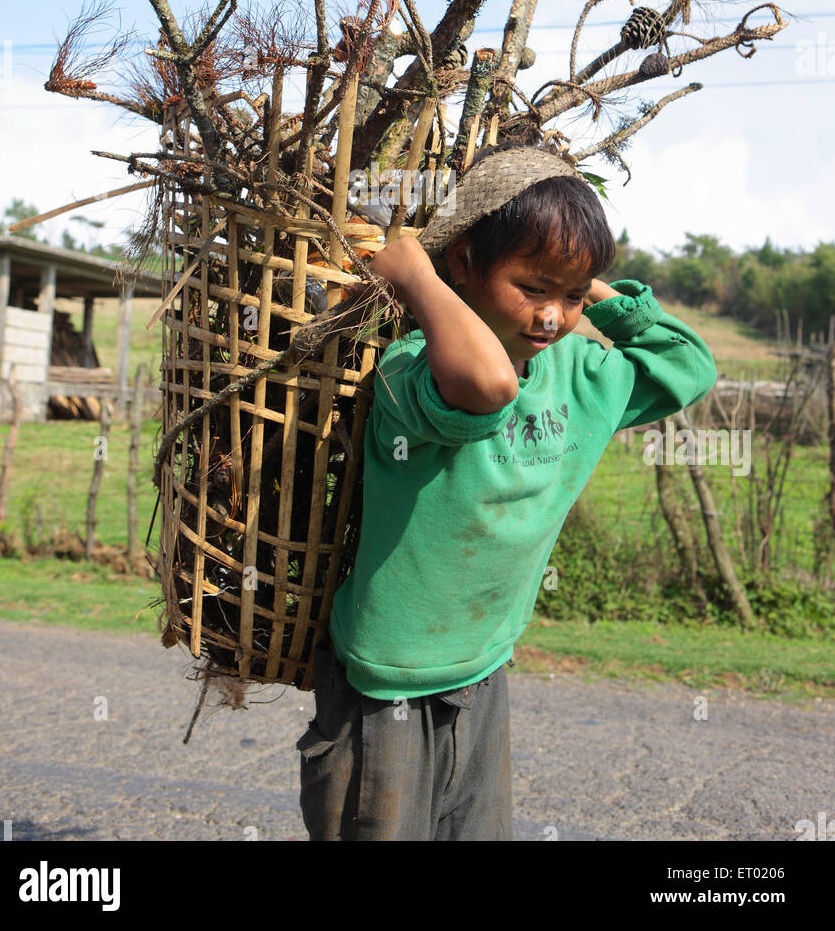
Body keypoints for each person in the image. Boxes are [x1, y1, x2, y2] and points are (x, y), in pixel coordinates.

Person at [296, 144, 717, 841]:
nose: (553, 317)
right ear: (463, 262)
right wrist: (419, 280)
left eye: (573, 296)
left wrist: (583, 281)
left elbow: (688, 365)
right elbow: (487, 388)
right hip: (383, 685)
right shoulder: (413, 369)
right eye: (533, 286)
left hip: (484, 666)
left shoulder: (582, 374)